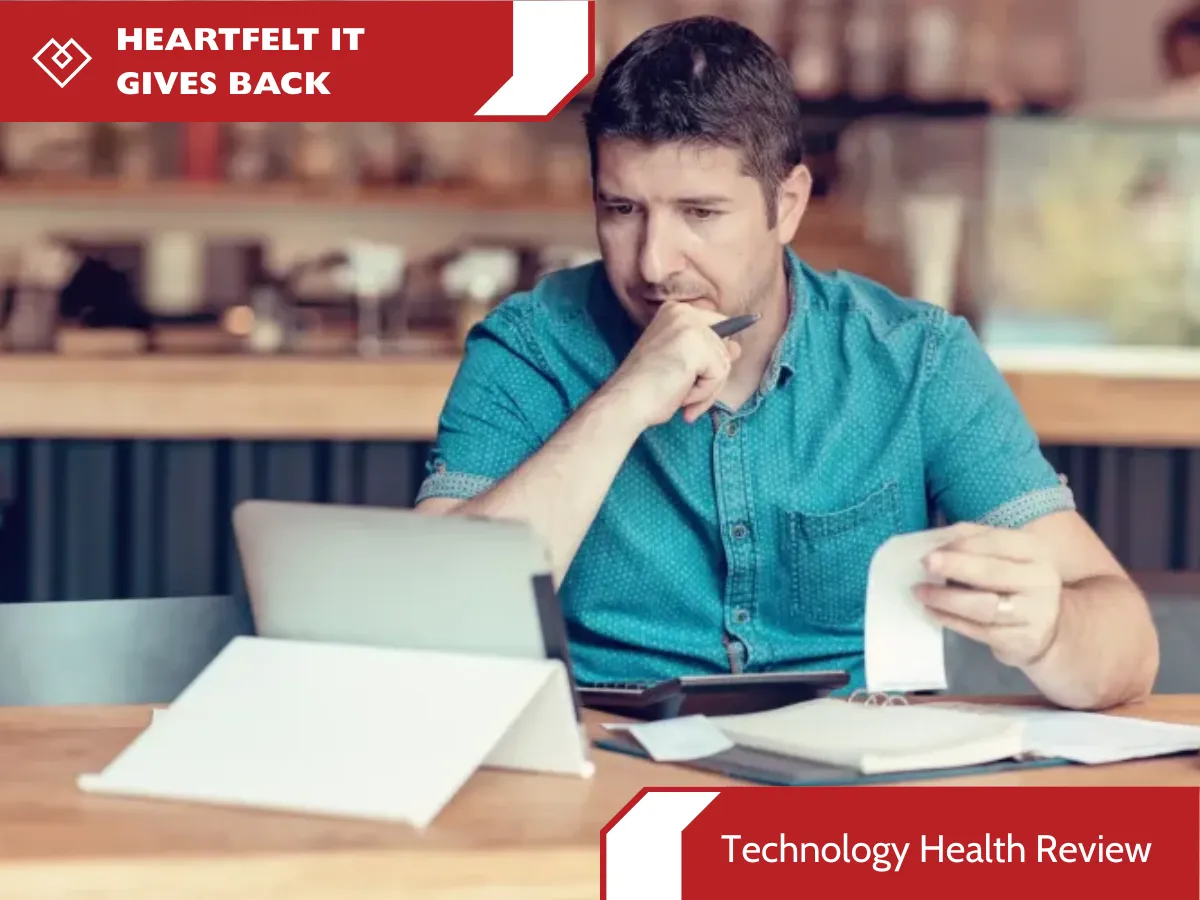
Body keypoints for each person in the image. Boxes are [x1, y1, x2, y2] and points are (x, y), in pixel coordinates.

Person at [416, 16, 1159, 710]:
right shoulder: (528, 346)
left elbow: (1129, 645)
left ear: (789, 202)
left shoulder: (916, 359)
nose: (653, 263)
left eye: (700, 214)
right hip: (605, 766)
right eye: (622, 210)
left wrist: (1052, 631)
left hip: (849, 795)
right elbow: (433, 620)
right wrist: (622, 403)